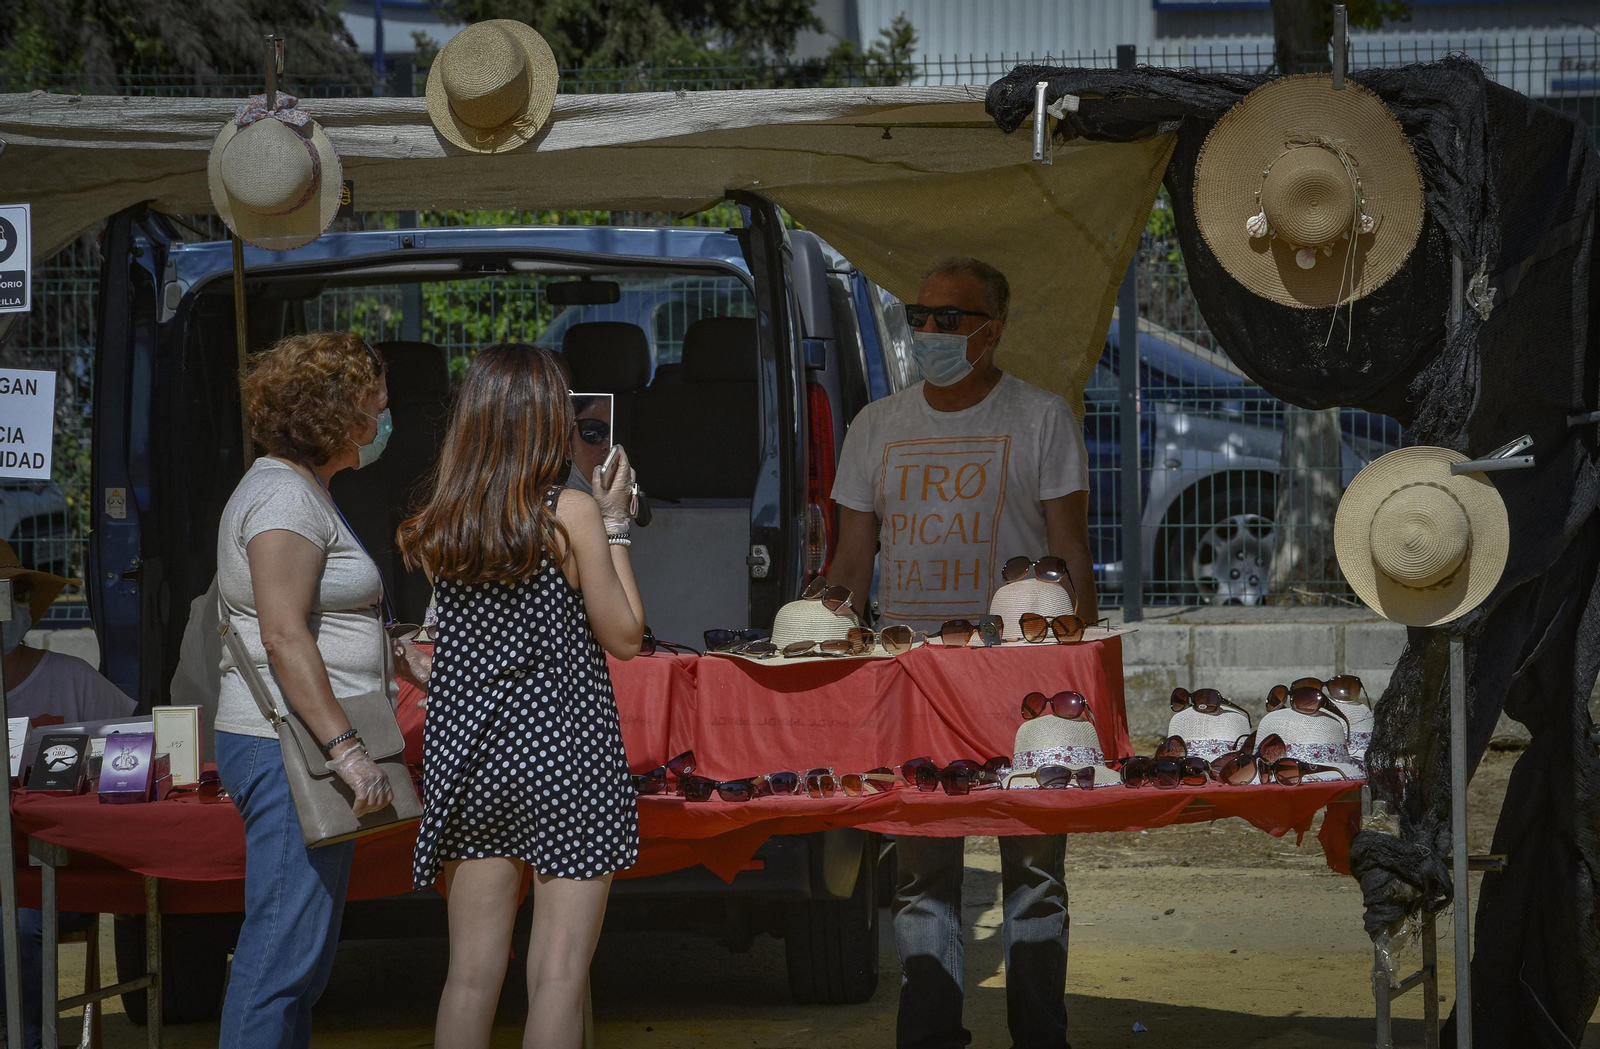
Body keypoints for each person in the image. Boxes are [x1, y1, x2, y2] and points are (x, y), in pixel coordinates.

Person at [828, 256, 1095, 1049]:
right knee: (923, 877)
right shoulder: (874, 426)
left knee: (1034, 874)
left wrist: (1077, 667)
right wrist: (825, 646)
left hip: (1024, 680)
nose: (930, 332)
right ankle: (928, 1035)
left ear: (991, 331)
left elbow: (1070, 551)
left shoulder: (1041, 417)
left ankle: (1041, 1036)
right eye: (921, 316)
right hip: (915, 678)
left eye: (950, 318)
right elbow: (850, 563)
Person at [398, 343, 644, 1049]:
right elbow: (625, 635)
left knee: (469, 978)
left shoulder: (445, 520)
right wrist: (616, 524)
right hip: (564, 756)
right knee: (558, 975)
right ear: (543, 421)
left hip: (472, 760)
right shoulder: (569, 511)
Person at [215, 331, 425, 1049]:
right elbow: (282, 634)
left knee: (299, 962)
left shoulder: (303, 491)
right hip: (292, 746)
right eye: (377, 405)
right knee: (280, 959)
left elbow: (311, 618)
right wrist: (347, 750)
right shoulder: (283, 497)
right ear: (335, 415)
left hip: (302, 742)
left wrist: (393, 653)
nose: (384, 419)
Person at [0, 543, 136, 1049]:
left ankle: (29, 1040)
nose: (7, 608)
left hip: (55, 869)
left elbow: (134, 753)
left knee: (21, 920)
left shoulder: (71, 678)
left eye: (14, 595)